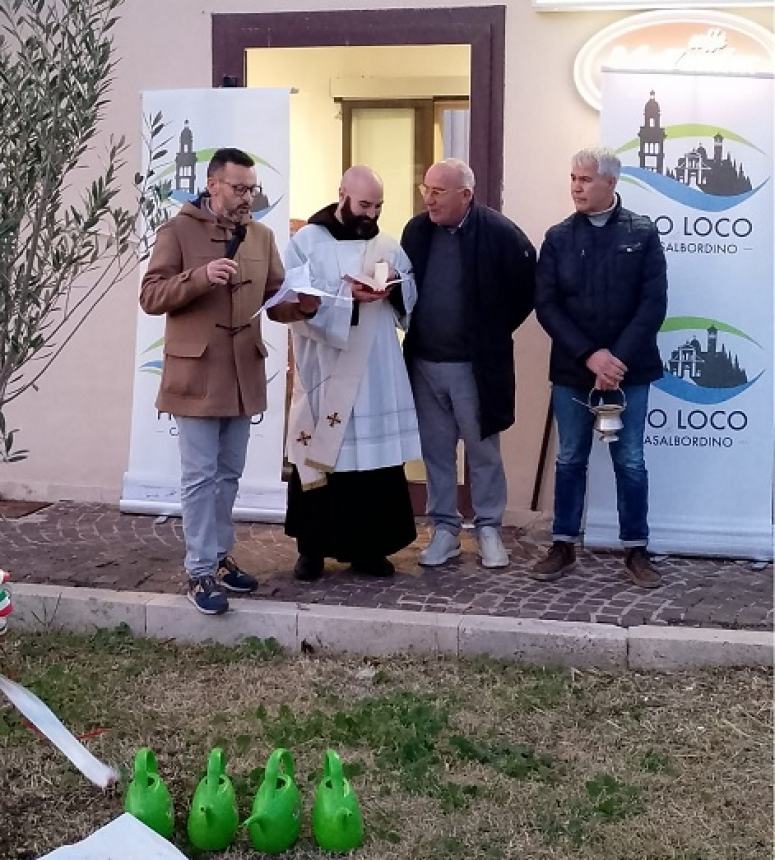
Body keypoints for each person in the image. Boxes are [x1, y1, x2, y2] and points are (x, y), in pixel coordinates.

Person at [140, 147, 318, 615]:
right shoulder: (177, 231)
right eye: (239, 188)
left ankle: (219, 557)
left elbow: (277, 300)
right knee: (199, 478)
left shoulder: (260, 237)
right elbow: (151, 295)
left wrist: (305, 304)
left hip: (242, 373)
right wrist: (200, 277)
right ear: (212, 184)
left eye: (252, 189)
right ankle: (199, 570)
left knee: (227, 475)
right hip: (196, 373)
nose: (247, 197)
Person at [530, 147, 668, 588]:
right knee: (570, 458)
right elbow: (547, 306)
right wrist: (590, 355)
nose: (576, 186)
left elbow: (653, 304)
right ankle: (564, 545)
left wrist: (616, 361)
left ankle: (636, 550)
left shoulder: (642, 233)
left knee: (630, 460)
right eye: (572, 177)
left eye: (585, 179)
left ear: (610, 183)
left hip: (630, 370)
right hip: (574, 371)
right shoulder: (557, 237)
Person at [282, 165, 421, 581]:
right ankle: (312, 549)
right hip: (325, 368)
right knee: (321, 457)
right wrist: (347, 297)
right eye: (364, 204)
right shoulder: (306, 242)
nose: (371, 214)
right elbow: (292, 300)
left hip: (375, 371)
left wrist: (398, 284)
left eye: (378, 206)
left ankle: (369, 550)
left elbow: (410, 295)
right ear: (341, 193)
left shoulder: (386, 244)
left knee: (372, 465)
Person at [401, 159, 536, 568]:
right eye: (427, 188)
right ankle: (445, 530)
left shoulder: (500, 233)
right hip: (425, 362)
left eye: (439, 191)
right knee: (437, 450)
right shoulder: (416, 231)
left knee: (482, 450)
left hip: (475, 366)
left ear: (466, 194)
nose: (430, 197)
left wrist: (489, 333)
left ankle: (489, 528)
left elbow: (525, 292)